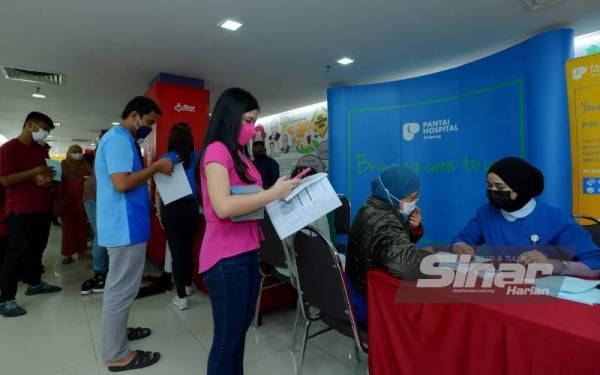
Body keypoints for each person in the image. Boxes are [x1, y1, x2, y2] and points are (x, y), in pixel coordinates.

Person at [200, 88, 299, 375]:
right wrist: (271, 194)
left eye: (254, 121)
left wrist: (280, 194)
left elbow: (250, 200)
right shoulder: (217, 150)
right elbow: (223, 206)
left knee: (238, 334)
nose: (251, 128)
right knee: (226, 341)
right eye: (247, 120)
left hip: (247, 253)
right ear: (229, 117)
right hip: (225, 259)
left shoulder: (240, 155)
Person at [95, 96, 173, 372]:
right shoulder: (118, 139)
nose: (150, 128)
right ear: (135, 115)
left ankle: (118, 335)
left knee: (122, 290)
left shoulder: (122, 139)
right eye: (149, 122)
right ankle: (117, 355)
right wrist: (155, 167)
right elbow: (121, 183)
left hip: (126, 225)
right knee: (121, 291)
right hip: (123, 227)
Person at [452, 157, 600, 277]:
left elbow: (595, 264)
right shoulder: (486, 213)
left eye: (500, 187)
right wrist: (461, 247)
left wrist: (552, 265)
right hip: (500, 288)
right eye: (489, 186)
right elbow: (462, 239)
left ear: (520, 188)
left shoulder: (556, 219)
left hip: (546, 295)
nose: (492, 191)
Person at [346, 164, 430, 327]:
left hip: (359, 289)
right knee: (426, 318)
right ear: (393, 192)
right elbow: (404, 265)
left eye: (417, 197)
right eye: (411, 198)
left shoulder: (373, 207)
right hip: (368, 302)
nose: (414, 203)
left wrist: (412, 229)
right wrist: (435, 260)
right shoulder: (383, 220)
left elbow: (389, 246)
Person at [0, 112, 62, 318]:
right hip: (20, 209)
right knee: (16, 253)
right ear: (31, 125)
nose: (44, 134)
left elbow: (49, 174)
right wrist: (34, 172)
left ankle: (34, 283)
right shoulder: (9, 149)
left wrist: (47, 180)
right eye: (43, 129)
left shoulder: (40, 150)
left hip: (42, 206)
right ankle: (6, 299)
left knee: (37, 249)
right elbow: (5, 180)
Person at [157, 122, 201, 310]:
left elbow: (159, 191)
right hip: (192, 208)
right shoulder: (197, 156)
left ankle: (181, 296)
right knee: (188, 248)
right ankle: (189, 285)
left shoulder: (166, 159)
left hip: (172, 209)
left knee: (177, 251)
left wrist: (159, 213)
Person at [81, 137, 109, 295]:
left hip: (97, 198)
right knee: (100, 234)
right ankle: (99, 272)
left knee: (103, 234)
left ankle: (103, 271)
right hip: (93, 199)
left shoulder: (103, 160)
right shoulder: (102, 162)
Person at [59, 144, 92, 264]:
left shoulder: (86, 165)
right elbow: (57, 183)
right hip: (67, 202)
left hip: (83, 201)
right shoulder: (63, 165)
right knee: (68, 230)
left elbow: (92, 180)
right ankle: (66, 253)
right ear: (68, 153)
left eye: (79, 151)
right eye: (74, 151)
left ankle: (81, 251)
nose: (77, 154)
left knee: (82, 229)